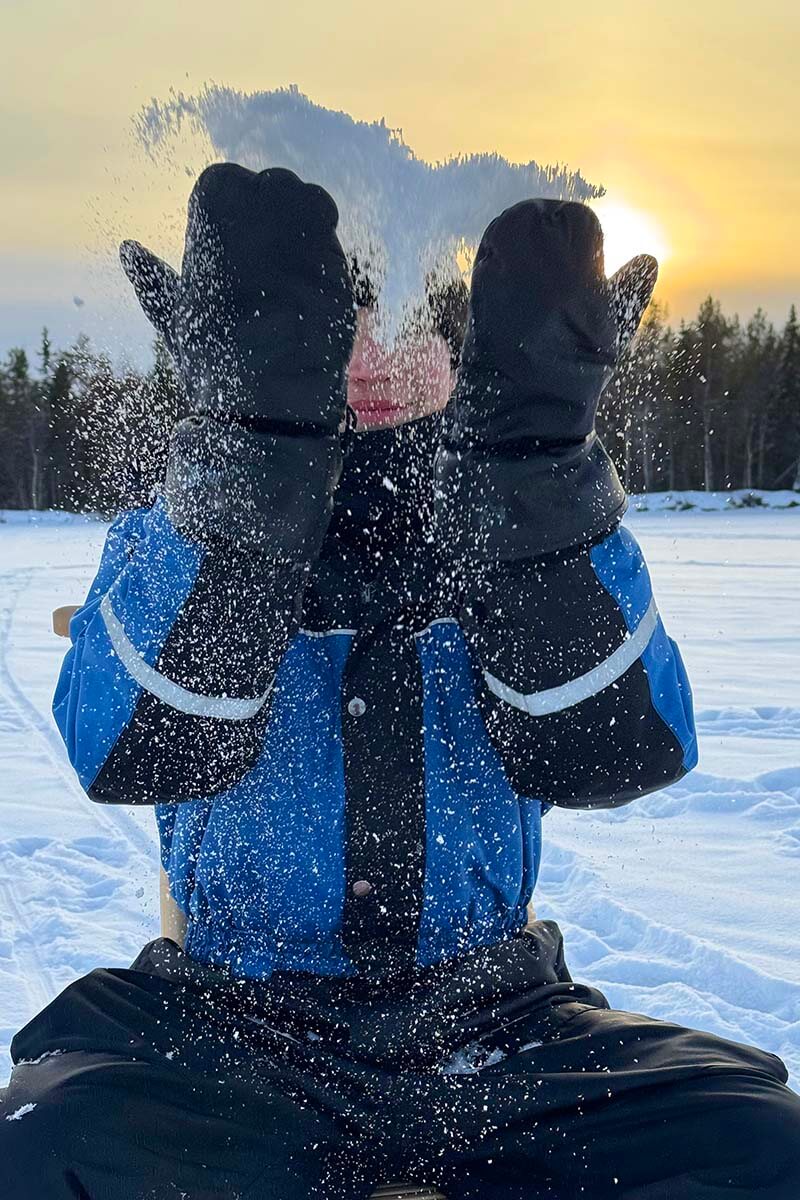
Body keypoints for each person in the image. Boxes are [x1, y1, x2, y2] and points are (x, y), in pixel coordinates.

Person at [1, 164, 798, 1200]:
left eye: (417, 315)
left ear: (464, 348)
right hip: (228, 1021)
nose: (374, 351)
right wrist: (250, 456)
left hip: (494, 1023)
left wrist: (536, 472)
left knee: (756, 1148)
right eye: (342, 315)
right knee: (43, 1148)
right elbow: (139, 744)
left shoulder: (533, 523)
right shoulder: (178, 535)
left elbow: (614, 749)